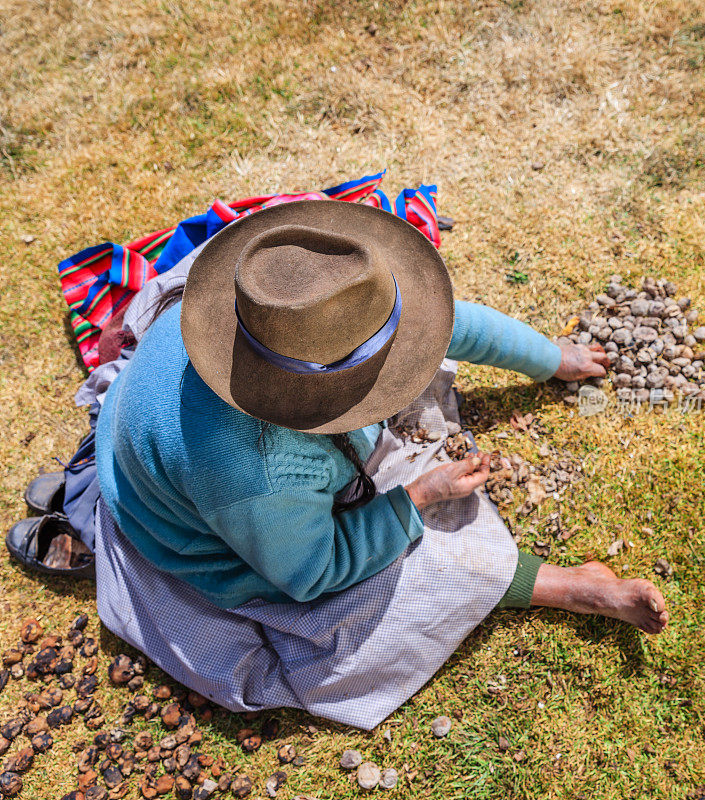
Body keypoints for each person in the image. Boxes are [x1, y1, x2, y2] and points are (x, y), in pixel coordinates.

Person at [90, 201, 668, 729]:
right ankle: (571, 588)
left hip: (176, 446)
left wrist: (550, 358)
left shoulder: (271, 309)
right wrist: (418, 497)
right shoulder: (262, 474)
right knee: (402, 585)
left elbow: (452, 324)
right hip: (196, 534)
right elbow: (314, 572)